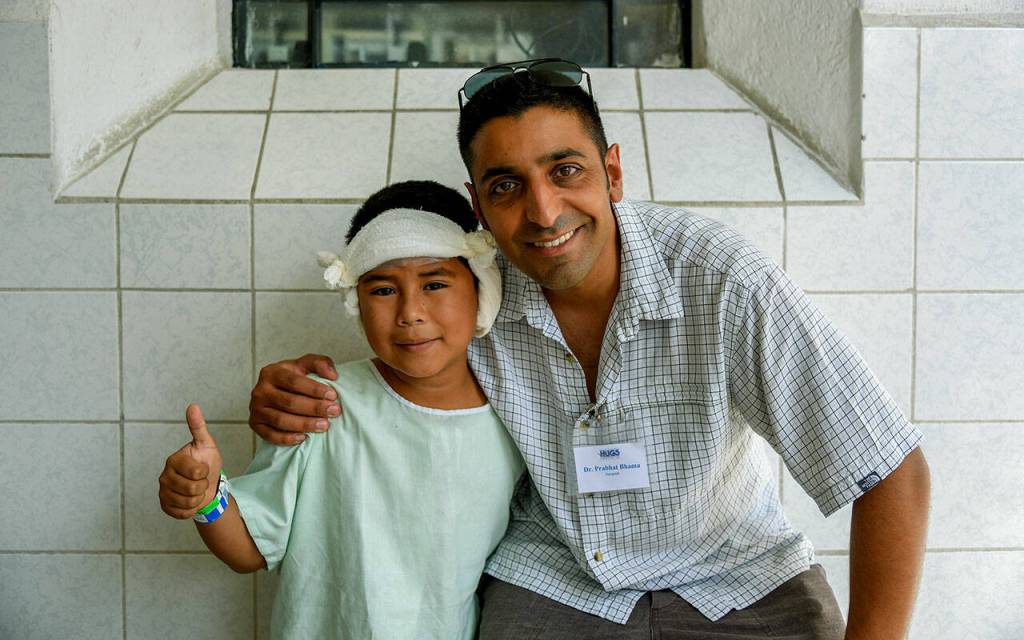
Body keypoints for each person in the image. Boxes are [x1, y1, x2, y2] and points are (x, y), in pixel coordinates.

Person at [248, 59, 931, 639]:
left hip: (737, 577)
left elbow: (890, 472)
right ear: (478, 206)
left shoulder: (719, 278)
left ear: (612, 173)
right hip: (558, 578)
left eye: (565, 171)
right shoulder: (471, 293)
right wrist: (294, 391)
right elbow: (397, 369)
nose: (543, 212)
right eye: (508, 186)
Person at [157, 180, 525, 639]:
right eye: (383, 290)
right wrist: (207, 496)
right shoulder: (323, 404)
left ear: (481, 290)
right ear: (356, 302)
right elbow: (249, 549)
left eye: (434, 283)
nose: (411, 312)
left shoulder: (517, 416)